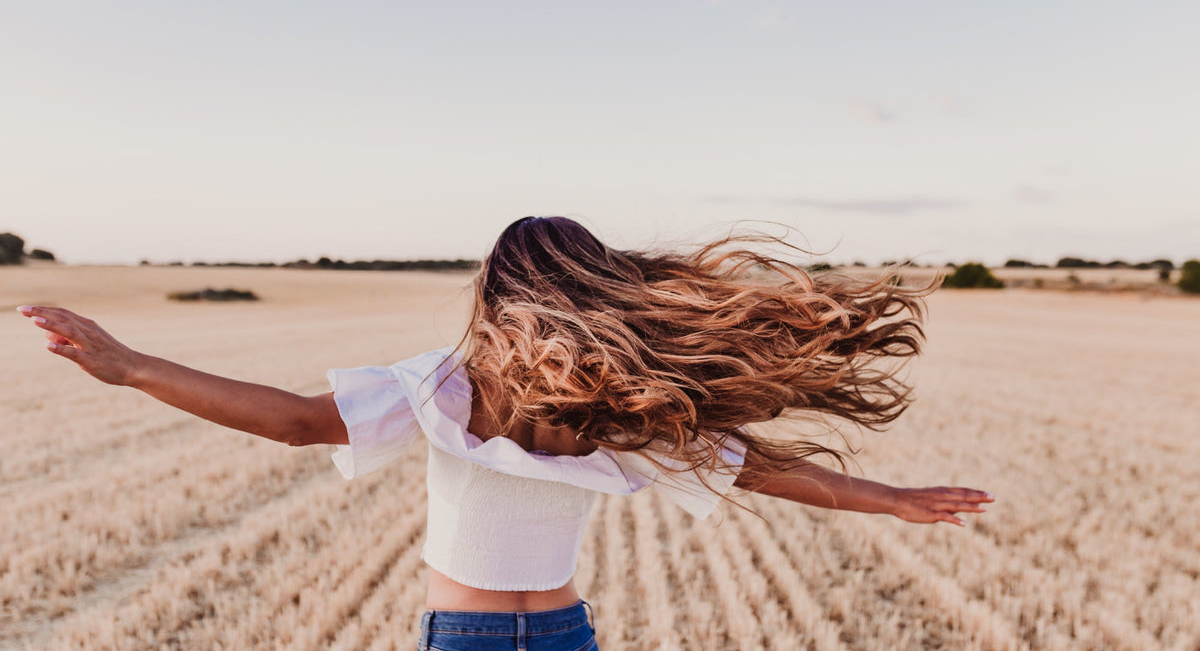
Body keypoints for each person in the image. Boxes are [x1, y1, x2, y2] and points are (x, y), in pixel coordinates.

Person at [17, 216, 992, 650]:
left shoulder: (446, 387)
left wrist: (132, 365)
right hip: (564, 633)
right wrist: (889, 499)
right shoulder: (613, 408)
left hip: (466, 636)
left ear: (498, 294)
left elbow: (294, 422)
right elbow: (754, 469)